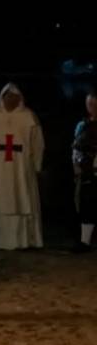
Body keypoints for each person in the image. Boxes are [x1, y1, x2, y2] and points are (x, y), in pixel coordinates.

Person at [0, 83, 44, 250]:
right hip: (2, 169)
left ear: (20, 98)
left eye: (14, 96)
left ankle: (26, 240)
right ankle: (2, 240)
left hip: (22, 168)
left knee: (23, 198)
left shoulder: (29, 117)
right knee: (3, 200)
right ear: (2, 98)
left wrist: (37, 164)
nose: (10, 99)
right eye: (7, 96)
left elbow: (37, 143)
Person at [72, 92, 97, 252]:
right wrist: (76, 165)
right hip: (87, 172)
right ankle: (84, 242)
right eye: (90, 104)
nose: (92, 108)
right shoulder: (82, 125)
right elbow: (76, 148)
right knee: (87, 205)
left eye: (95, 104)